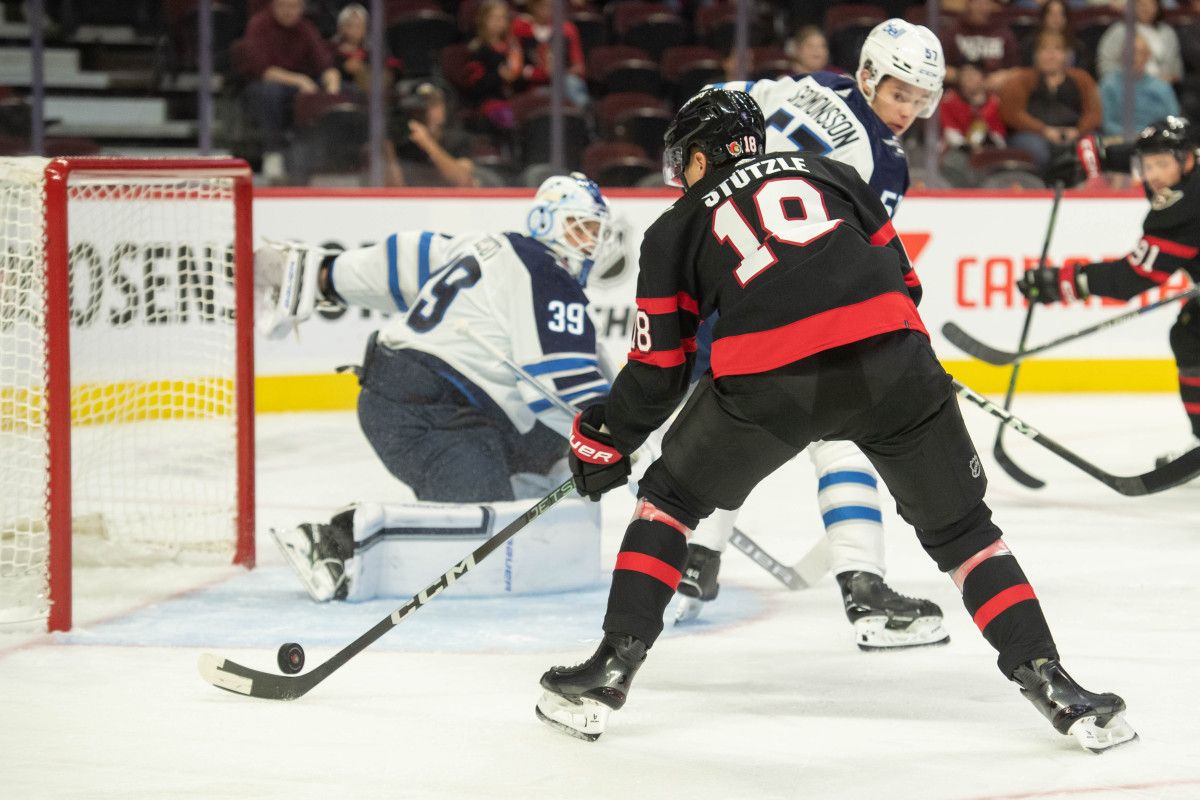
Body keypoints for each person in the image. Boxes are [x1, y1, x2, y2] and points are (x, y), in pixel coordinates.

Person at [534, 88, 1137, 755]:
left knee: (670, 501)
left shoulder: (675, 225)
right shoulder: (833, 173)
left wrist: (606, 440)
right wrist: (894, 362)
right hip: (896, 368)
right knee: (967, 535)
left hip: (771, 386)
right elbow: (905, 285)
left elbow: (658, 369)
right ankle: (1057, 686)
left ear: (700, 156)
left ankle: (609, 673)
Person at [670, 18, 948, 650]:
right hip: (790, 299)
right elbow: (856, 255)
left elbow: (722, 102)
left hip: (725, 270)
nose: (906, 110)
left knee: (729, 425)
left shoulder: (814, 85)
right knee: (846, 436)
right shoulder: (882, 161)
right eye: (898, 92)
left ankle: (692, 566)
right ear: (871, 76)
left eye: (917, 99)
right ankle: (865, 590)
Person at [259, 173, 616, 601]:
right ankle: (334, 542)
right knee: (487, 534)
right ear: (545, 222)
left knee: (553, 442)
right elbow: (560, 387)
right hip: (424, 409)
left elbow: (403, 258)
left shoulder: (488, 246)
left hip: (427, 395)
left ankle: (521, 484)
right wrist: (625, 441)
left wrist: (326, 274)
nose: (591, 241)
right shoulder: (548, 273)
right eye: (582, 226)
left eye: (595, 230)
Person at [1019, 116, 1200, 463]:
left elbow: (1129, 279)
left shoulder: (1184, 212)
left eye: (1163, 165)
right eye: (1149, 166)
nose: (1155, 174)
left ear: (1187, 160)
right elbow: (1150, 152)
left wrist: (1061, 283)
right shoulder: (1186, 163)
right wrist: (1094, 158)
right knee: (1190, 336)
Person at [239, 0, 342, 183]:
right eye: (284, 6)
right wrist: (299, 80)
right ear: (273, 6)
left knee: (343, 92)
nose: (289, 12)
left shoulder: (306, 28)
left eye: (294, 7)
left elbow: (325, 65)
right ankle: (274, 154)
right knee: (270, 93)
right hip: (266, 84)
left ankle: (326, 156)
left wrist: (332, 86)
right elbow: (263, 70)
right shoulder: (259, 25)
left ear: (301, 8)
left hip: (300, 87)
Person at [999, 30, 1102, 171]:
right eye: (1045, 49)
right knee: (1037, 150)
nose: (1051, 55)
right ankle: (1039, 189)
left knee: (1092, 146)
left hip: (1074, 131)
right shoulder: (1020, 80)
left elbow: (1094, 113)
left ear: (1066, 55)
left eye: (1057, 49)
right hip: (1033, 133)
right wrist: (1044, 130)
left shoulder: (1082, 79)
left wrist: (1079, 131)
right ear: (1036, 55)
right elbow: (1012, 113)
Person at [384, 83, 477, 188]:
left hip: (450, 202)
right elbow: (394, 191)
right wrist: (388, 151)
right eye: (420, 108)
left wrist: (427, 143)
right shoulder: (404, 144)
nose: (427, 113)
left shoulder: (458, 140)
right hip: (415, 201)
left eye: (433, 106)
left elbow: (463, 181)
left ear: (443, 109)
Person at [512, 0, 589, 109]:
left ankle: (583, 116)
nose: (547, 10)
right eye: (543, 6)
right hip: (536, 86)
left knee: (571, 83)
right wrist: (541, 73)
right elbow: (515, 68)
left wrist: (557, 73)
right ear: (532, 6)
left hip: (563, 82)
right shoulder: (520, 28)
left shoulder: (567, 29)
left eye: (551, 6)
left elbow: (579, 67)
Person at [1100, 33, 1181, 137]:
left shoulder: (1162, 87)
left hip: (1157, 142)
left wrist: (1151, 136)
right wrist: (1134, 136)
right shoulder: (1108, 85)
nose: (1134, 57)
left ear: (1148, 56)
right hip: (1120, 142)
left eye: (1140, 53)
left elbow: (1174, 120)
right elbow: (1106, 123)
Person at [464, 0, 525, 134]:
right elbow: (475, 88)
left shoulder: (512, 49)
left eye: (502, 17)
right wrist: (499, 76)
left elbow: (522, 80)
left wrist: (518, 75)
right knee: (507, 118)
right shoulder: (478, 50)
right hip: (489, 101)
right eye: (494, 17)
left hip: (515, 99)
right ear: (483, 20)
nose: (498, 22)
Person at [1096, 0, 1183, 84]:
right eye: (1141, 5)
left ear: (1157, 7)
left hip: (1161, 86)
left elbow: (1176, 69)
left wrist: (1165, 80)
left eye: (1150, 4)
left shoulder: (1167, 32)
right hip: (1125, 86)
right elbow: (1105, 64)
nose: (1146, 8)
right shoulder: (1119, 30)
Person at [943, 0, 1020, 91]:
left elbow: (1016, 70)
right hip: (960, 93)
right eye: (977, 3)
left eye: (985, 3)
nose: (981, 7)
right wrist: (963, 77)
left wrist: (1003, 77)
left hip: (995, 92)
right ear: (969, 4)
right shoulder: (953, 31)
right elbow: (942, 68)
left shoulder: (1003, 32)